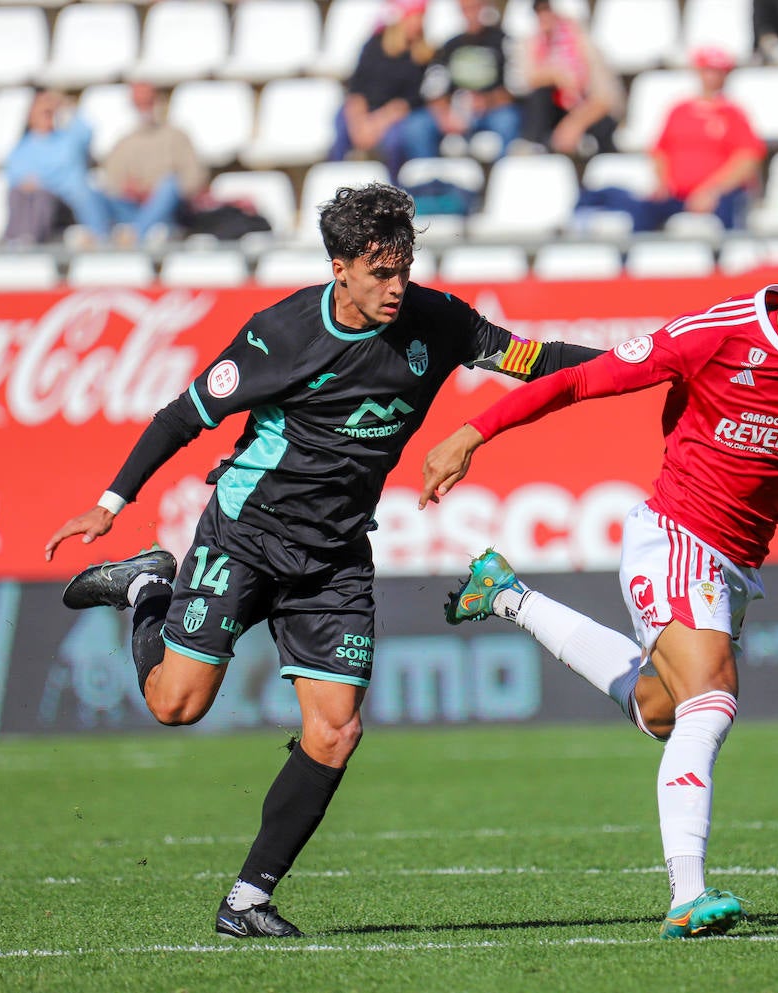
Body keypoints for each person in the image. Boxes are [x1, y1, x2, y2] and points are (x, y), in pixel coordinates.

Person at [43, 183, 603, 940]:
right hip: (244, 534)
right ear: (340, 266)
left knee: (335, 731)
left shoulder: (438, 321)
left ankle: (246, 898)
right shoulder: (281, 334)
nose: (397, 287)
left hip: (334, 553)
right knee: (178, 704)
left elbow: (535, 360)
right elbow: (183, 414)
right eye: (380, 272)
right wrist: (110, 503)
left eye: (404, 268)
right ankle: (148, 582)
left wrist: (650, 362)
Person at [417, 221, 778, 938]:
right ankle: (688, 893)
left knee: (662, 710)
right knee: (711, 698)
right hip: (675, 536)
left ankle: (504, 594)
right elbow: (580, 380)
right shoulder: (717, 333)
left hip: (735, 567)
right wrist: (474, 432)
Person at [328, 0, 436, 177]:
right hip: (365, 112)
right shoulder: (373, 46)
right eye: (413, 17)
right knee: (341, 126)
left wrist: (376, 123)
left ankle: (395, 189)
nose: (417, 23)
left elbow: (410, 101)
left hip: (395, 117)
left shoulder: (423, 56)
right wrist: (359, 124)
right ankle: (335, 183)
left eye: (420, 18)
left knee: (396, 141)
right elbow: (356, 90)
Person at [98, 81, 208, 246]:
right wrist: (130, 190)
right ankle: (100, 237)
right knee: (90, 192)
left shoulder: (177, 137)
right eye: (139, 103)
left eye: (148, 102)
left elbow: (195, 178)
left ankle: (135, 235)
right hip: (132, 209)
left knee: (169, 184)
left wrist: (153, 192)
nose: (144, 108)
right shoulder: (124, 142)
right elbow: (112, 183)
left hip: (166, 210)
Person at [417, 0, 522, 160]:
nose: (471, 13)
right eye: (466, 9)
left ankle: (501, 178)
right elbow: (433, 89)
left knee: (507, 120)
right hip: (456, 111)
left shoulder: (503, 41)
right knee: (417, 126)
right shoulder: (450, 46)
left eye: (475, 7)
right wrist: (446, 114)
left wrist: (487, 101)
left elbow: (517, 88)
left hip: (493, 112)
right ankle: (428, 180)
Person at [3, 89, 109, 246]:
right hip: (37, 202)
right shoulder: (22, 148)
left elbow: (87, 131)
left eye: (50, 112)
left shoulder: (67, 139)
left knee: (45, 195)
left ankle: (29, 242)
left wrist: (65, 105)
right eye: (42, 112)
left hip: (68, 205)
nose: (47, 115)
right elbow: (16, 177)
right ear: (30, 116)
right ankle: (17, 241)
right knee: (24, 194)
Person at [517, 0, 622, 156]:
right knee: (539, 98)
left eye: (548, 10)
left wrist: (575, 123)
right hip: (555, 118)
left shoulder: (586, 46)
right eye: (539, 12)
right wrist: (554, 75)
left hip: (586, 114)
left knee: (603, 127)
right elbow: (525, 81)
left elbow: (608, 99)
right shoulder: (531, 45)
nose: (544, 16)